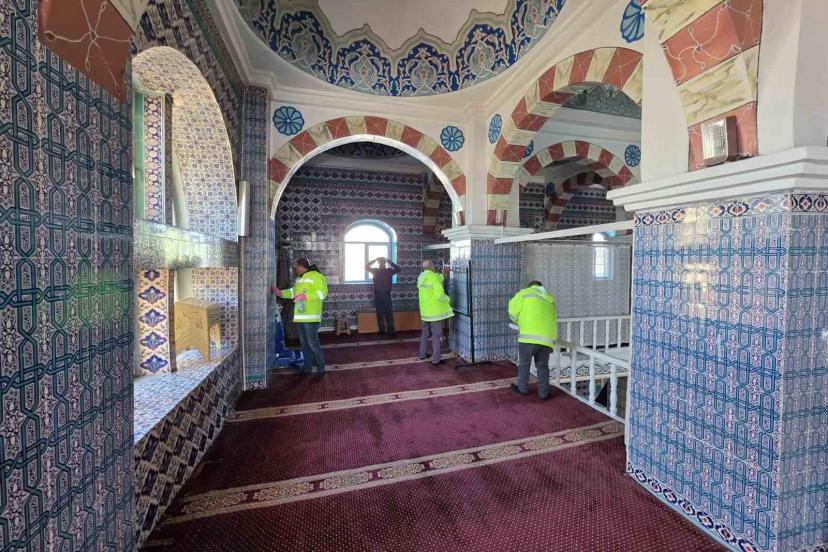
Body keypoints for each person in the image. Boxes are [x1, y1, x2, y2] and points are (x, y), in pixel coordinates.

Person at [272, 258, 328, 377]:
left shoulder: (316, 276)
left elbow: (322, 293)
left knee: (313, 343)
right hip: (301, 317)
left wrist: (305, 297)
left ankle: (321, 368)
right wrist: (280, 293)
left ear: (302, 266)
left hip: (311, 318)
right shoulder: (300, 279)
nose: (295, 269)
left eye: (296, 267)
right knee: (305, 344)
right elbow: (293, 292)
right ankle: (307, 367)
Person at [508, 280, 557, 400]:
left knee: (524, 364)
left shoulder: (524, 293)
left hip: (528, 337)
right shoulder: (549, 299)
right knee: (542, 366)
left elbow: (513, 311)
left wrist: (519, 321)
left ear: (530, 286)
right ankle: (544, 394)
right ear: (541, 287)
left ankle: (522, 389)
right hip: (546, 339)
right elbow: (554, 319)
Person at [417, 260, 453, 364]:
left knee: (425, 334)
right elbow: (440, 295)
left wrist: (443, 273)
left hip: (425, 312)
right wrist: (449, 300)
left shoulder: (421, 276)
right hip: (434, 313)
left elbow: (436, 279)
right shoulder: (433, 277)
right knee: (436, 336)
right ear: (432, 267)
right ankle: (436, 359)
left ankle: (422, 354)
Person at [366, 256, 401, 336]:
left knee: (381, 314)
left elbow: (366, 267)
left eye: (382, 262)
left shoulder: (378, 271)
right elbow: (398, 269)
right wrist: (390, 262)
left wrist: (374, 260)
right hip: (384, 295)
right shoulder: (387, 271)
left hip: (381, 296)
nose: (382, 263)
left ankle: (384, 331)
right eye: (381, 262)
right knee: (387, 314)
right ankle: (389, 331)